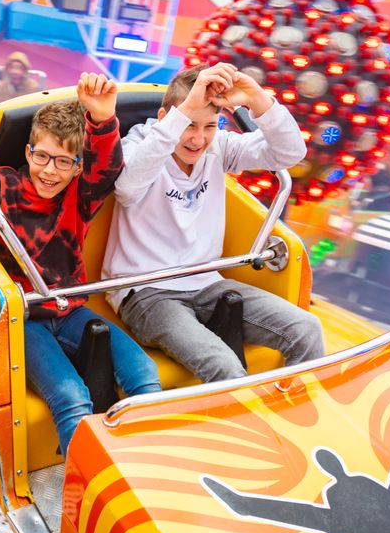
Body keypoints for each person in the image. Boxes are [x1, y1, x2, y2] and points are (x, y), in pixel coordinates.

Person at [0, 73, 161, 455]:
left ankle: (142, 463)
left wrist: (103, 120)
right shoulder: (0, 188)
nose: (50, 170)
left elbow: (106, 169)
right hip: (24, 320)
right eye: (42, 156)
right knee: (71, 396)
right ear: (27, 153)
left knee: (144, 376)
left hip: (71, 311)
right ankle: (83, 484)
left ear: (76, 168)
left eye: (63, 161)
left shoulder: (80, 194)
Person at [102, 62, 325, 383]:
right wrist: (186, 109)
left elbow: (289, 153)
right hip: (146, 291)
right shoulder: (140, 145)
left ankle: (293, 420)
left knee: (306, 329)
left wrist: (257, 98)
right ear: (166, 119)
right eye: (189, 124)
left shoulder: (218, 147)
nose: (198, 138)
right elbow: (127, 188)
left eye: (209, 126)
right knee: (223, 364)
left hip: (206, 282)